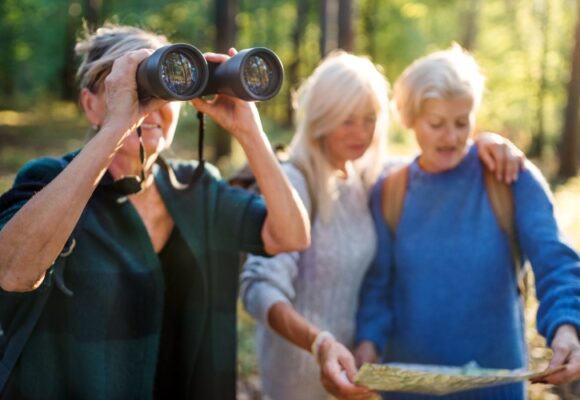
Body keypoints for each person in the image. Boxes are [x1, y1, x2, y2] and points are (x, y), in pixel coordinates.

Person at [0, 23, 310, 399]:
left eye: (164, 89)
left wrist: (249, 133)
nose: (150, 107)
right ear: (90, 104)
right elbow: (12, 270)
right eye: (132, 89)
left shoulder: (197, 189)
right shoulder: (50, 182)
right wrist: (116, 128)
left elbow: (292, 235)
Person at [239, 50, 526, 400]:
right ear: (322, 118)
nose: (361, 132)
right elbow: (259, 290)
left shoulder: (368, 180)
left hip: (357, 377)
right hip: (300, 380)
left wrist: (486, 142)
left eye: (369, 118)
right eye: (347, 119)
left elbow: (437, 157)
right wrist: (320, 343)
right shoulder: (294, 183)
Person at [354, 44, 580, 399]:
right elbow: (378, 287)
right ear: (410, 120)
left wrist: (567, 326)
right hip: (410, 388)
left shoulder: (509, 177)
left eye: (462, 122)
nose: (452, 137)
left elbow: (555, 260)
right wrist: (367, 341)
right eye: (436, 124)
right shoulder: (390, 191)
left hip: (495, 386)